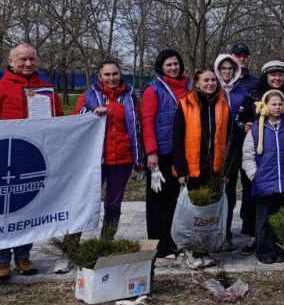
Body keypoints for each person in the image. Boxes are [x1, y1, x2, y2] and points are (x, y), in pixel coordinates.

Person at [0, 42, 65, 281]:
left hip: (34, 159)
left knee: (28, 208)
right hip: (4, 160)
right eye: (22, 59)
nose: (28, 64)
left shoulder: (46, 89)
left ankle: (24, 255)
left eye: (32, 59)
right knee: (4, 212)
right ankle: (1, 259)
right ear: (10, 61)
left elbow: (59, 122)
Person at [56, 59, 144, 273]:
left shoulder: (130, 98)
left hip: (122, 161)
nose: (112, 78)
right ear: (99, 77)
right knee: (83, 204)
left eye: (115, 74)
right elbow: (75, 121)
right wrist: (91, 114)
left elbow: (138, 128)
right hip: (95, 161)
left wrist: (139, 161)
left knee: (113, 207)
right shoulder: (89, 96)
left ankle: (105, 247)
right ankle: (68, 252)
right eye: (107, 75)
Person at [172, 67, 230, 269]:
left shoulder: (223, 104)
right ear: (196, 83)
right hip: (192, 168)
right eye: (205, 80)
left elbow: (227, 137)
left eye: (213, 80)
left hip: (213, 169)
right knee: (193, 213)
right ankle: (190, 250)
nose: (210, 83)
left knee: (208, 212)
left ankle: (204, 249)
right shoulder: (185, 105)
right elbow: (177, 139)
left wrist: (223, 169)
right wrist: (181, 170)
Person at [236, 61, 284, 254]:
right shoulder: (252, 95)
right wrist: (245, 126)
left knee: (279, 209)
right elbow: (239, 120)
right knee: (257, 206)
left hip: (282, 163)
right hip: (259, 161)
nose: (276, 78)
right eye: (272, 74)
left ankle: (278, 244)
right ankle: (256, 239)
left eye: (280, 74)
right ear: (266, 76)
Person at [242, 90, 284, 264]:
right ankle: (264, 251)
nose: (277, 107)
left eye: (279, 104)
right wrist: (255, 175)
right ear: (265, 106)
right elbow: (248, 156)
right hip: (263, 183)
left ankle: (280, 250)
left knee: (281, 218)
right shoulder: (255, 130)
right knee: (263, 220)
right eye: (273, 104)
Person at [140, 49, 190, 259]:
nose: (173, 68)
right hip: (161, 153)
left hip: (182, 151)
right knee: (158, 201)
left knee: (174, 199)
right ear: (161, 67)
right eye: (168, 65)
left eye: (176, 64)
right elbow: (148, 122)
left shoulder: (188, 86)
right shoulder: (153, 89)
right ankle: (160, 246)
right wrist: (151, 152)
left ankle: (173, 241)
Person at [215, 53, 250, 251]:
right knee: (217, 191)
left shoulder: (242, 93)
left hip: (237, 149)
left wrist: (246, 125)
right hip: (215, 150)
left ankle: (227, 232)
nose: (227, 72)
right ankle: (215, 231)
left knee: (230, 192)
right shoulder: (212, 90)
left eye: (230, 68)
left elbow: (247, 119)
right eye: (223, 69)